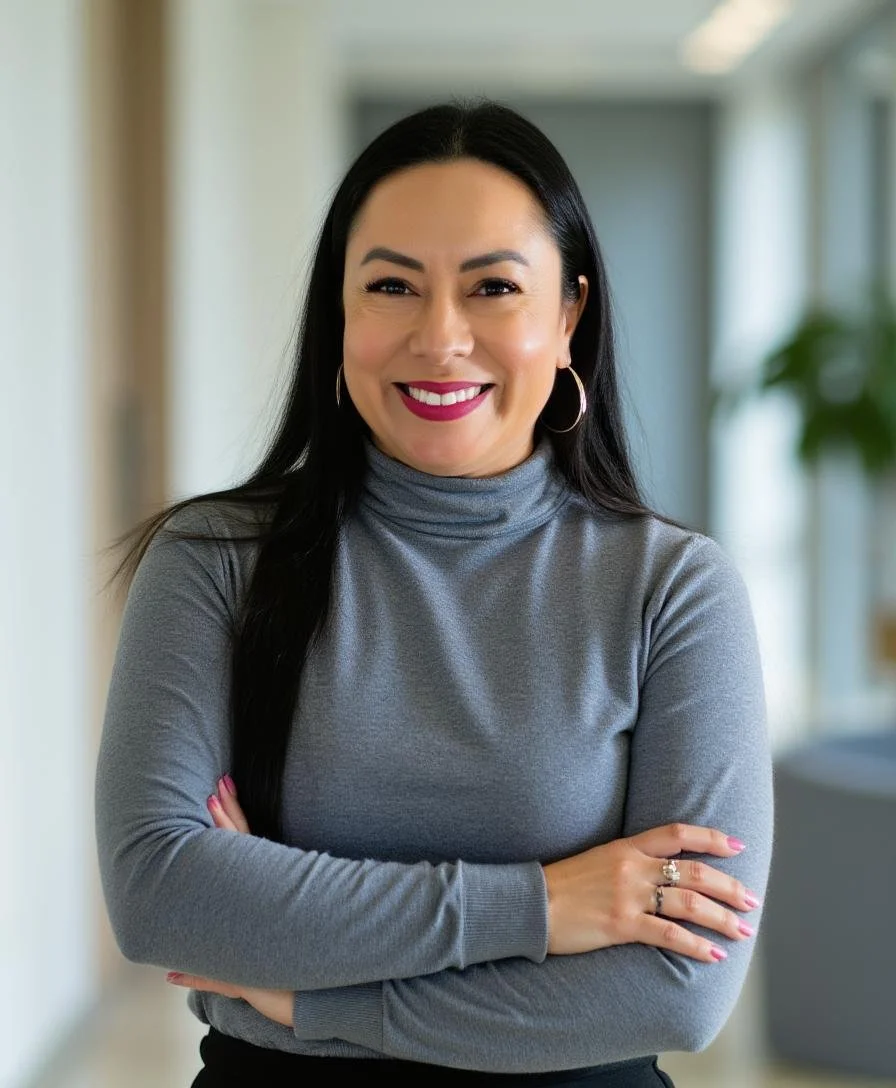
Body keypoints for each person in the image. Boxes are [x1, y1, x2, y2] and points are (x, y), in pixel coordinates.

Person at [95, 99, 773, 1087]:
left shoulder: (671, 589)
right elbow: (160, 892)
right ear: (341, 310)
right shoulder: (215, 561)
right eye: (390, 286)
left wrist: (311, 996)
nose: (440, 336)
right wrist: (542, 906)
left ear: (568, 314)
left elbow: (674, 989)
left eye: (492, 286)